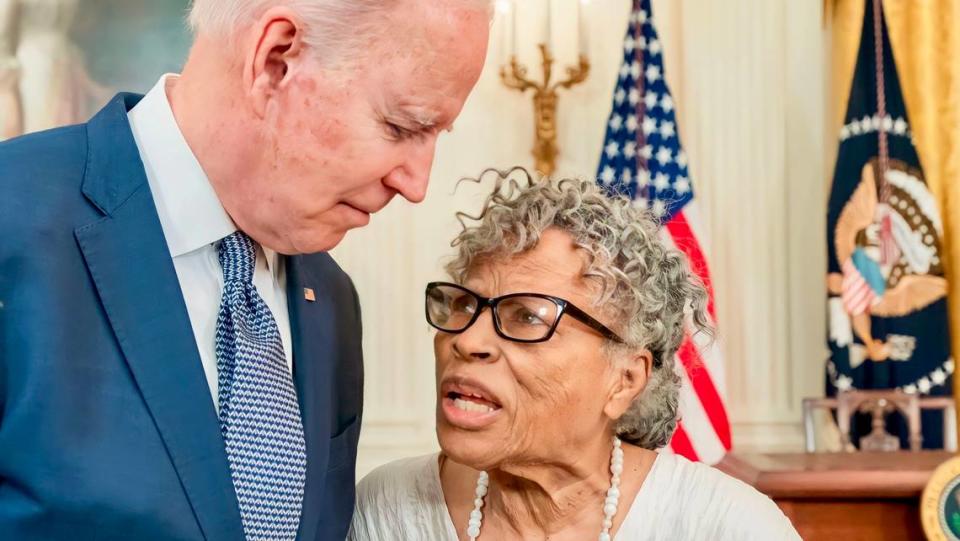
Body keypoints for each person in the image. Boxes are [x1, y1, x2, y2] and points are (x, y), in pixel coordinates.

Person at [0, 1, 489, 539]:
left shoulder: (331, 299)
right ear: (275, 59)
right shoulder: (12, 219)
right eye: (401, 126)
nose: (416, 184)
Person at [350, 169, 800, 540]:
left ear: (624, 379)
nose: (468, 341)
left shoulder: (727, 527)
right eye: (465, 304)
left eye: (526, 317)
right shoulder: (388, 510)